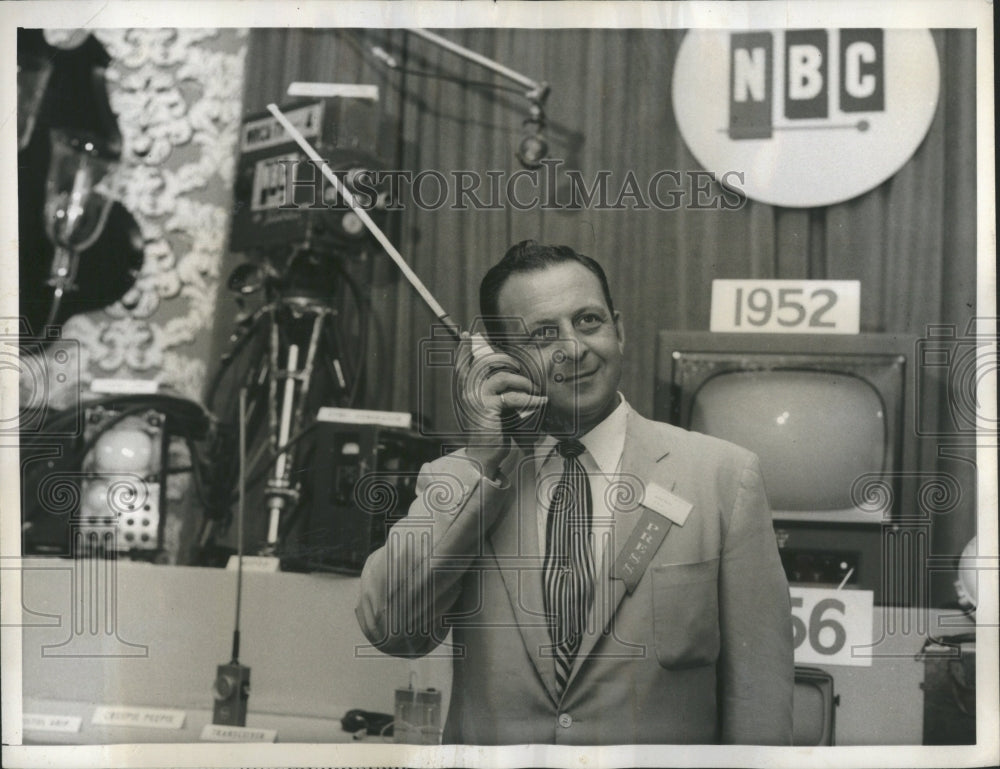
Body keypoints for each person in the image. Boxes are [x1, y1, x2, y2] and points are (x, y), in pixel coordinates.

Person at [356, 240, 794, 745]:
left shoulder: (723, 477)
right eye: (544, 333)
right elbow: (390, 628)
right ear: (502, 360)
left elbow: (759, 698)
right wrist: (481, 460)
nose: (575, 348)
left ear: (619, 329)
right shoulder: (460, 480)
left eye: (588, 321)